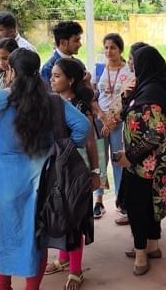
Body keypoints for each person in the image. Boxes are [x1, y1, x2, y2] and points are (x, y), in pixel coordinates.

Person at [0, 49, 89, 290]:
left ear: (12, 71)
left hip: (6, 185)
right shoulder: (52, 101)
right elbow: (82, 127)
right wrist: (59, 146)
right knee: (35, 238)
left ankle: (2, 284)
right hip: (42, 183)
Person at [113, 45, 166, 276]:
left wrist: (129, 156)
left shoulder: (150, 95)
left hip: (142, 164)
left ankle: (141, 254)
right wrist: (125, 95)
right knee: (151, 204)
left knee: (138, 208)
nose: (131, 65)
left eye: (134, 61)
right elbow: (125, 114)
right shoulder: (154, 87)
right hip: (158, 163)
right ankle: (153, 245)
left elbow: (155, 133)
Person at [44, 57, 101, 287]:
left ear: (71, 79)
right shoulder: (53, 102)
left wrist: (95, 172)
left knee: (75, 216)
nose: (52, 79)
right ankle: (63, 258)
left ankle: (76, 270)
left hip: (78, 169)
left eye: (57, 75)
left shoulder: (80, 106)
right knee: (60, 211)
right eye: (52, 75)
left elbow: (90, 142)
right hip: (59, 168)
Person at [91, 33, 135, 219]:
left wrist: (113, 120)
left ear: (120, 49)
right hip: (100, 120)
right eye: (106, 47)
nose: (109, 51)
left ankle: (120, 199)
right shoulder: (99, 68)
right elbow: (92, 95)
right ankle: (98, 201)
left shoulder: (128, 72)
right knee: (100, 160)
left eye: (113, 48)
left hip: (118, 122)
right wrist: (101, 116)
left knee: (118, 160)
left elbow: (128, 100)